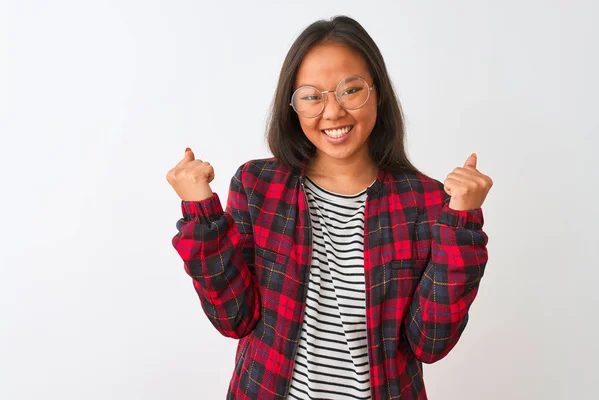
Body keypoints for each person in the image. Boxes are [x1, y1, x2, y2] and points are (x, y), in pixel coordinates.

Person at [167, 15, 493, 400]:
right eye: (311, 95)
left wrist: (462, 223)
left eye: (350, 90)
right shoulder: (258, 185)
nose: (333, 111)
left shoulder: (424, 201)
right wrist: (200, 210)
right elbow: (234, 317)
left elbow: (430, 342)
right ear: (293, 106)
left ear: (378, 92)